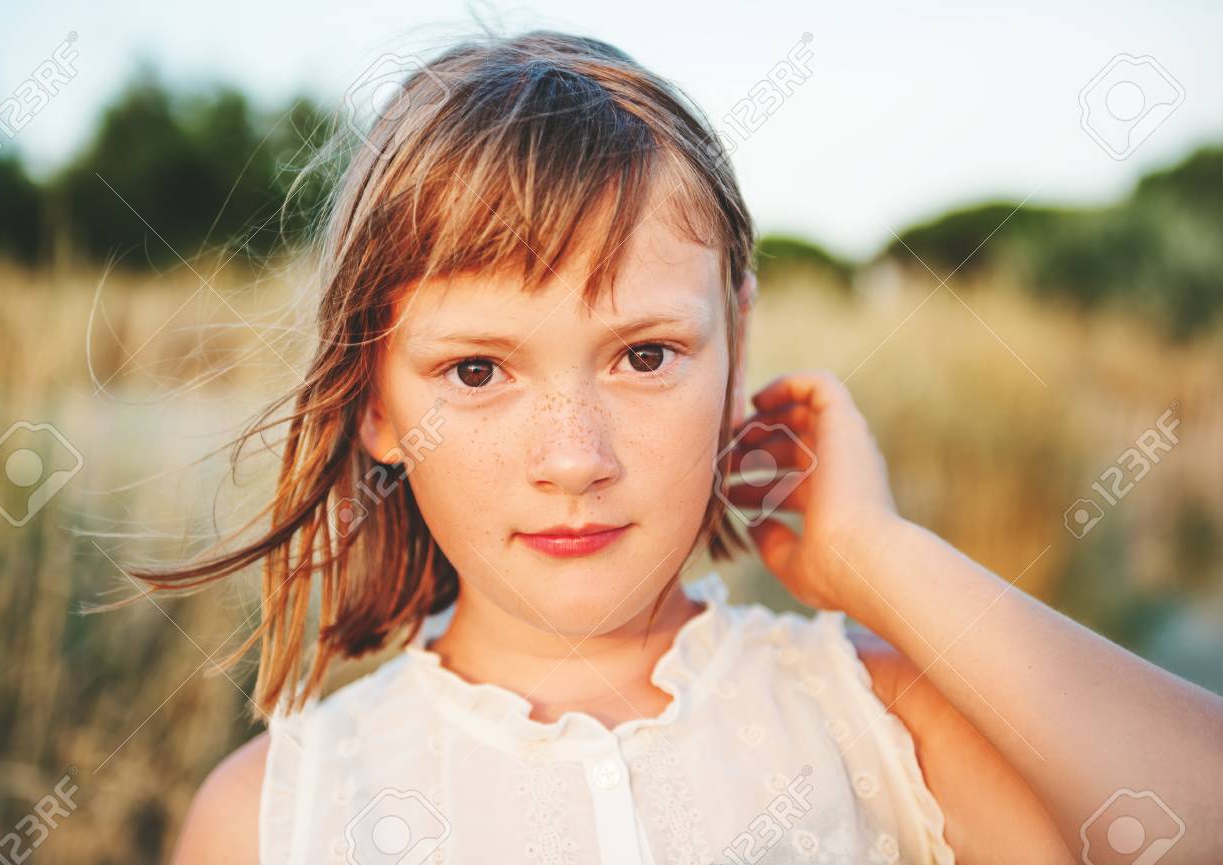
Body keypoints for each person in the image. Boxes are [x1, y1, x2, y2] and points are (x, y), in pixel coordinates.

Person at [156, 29, 1223, 865]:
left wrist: (876, 556)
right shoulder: (272, 816)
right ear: (375, 401)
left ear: (737, 347)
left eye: (645, 355)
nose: (573, 459)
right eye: (476, 372)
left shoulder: (877, 718)